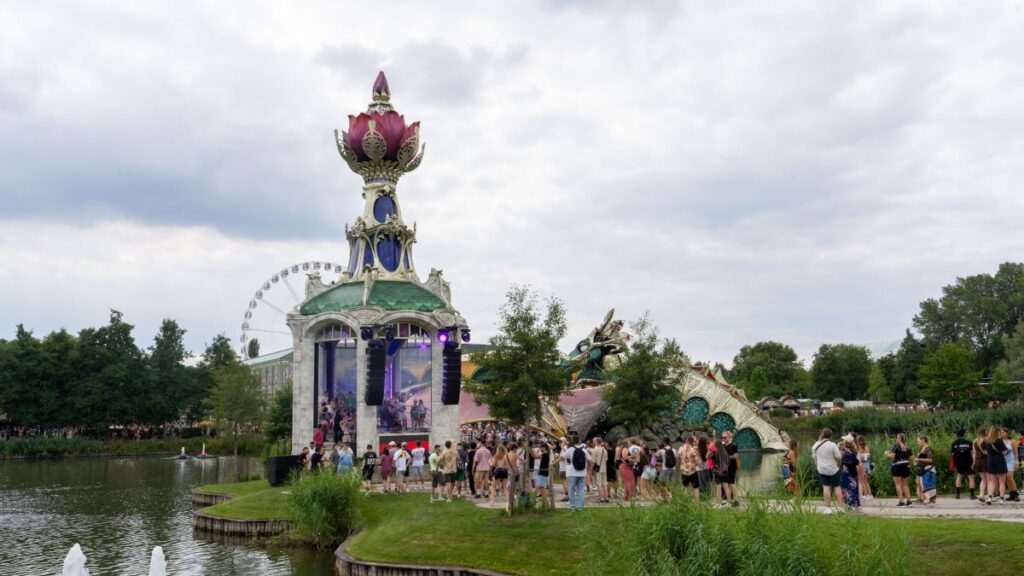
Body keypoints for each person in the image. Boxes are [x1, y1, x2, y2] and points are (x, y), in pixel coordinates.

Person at [811, 428, 842, 512]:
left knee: (826, 488)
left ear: (822, 434)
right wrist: (839, 449)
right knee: (837, 488)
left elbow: (814, 457)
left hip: (822, 469)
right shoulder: (833, 445)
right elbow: (839, 457)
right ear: (830, 435)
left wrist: (818, 467)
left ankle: (827, 509)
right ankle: (840, 508)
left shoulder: (816, 445)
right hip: (833, 469)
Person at [562, 434, 591, 511]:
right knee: (581, 491)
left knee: (571, 490)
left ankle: (572, 507)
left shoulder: (571, 449)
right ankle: (580, 507)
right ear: (579, 441)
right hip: (582, 473)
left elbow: (563, 456)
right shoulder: (584, 450)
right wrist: (589, 470)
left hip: (573, 473)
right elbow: (589, 460)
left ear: (572, 441)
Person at [885, 433, 913, 507]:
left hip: (897, 465)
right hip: (906, 465)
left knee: (898, 484)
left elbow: (892, 456)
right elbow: (910, 458)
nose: (896, 439)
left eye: (897, 437)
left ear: (900, 439)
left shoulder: (896, 446)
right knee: (905, 484)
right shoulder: (908, 447)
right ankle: (909, 500)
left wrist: (887, 454)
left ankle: (901, 501)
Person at [983, 425, 1008, 505]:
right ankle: (1001, 499)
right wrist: (1005, 452)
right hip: (999, 460)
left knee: (993, 481)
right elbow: (1004, 452)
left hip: (990, 461)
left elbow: (985, 451)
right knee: (1002, 481)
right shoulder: (999, 440)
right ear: (997, 432)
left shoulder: (986, 440)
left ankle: (989, 497)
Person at [950, 429, 976, 500]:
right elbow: (973, 452)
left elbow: (952, 454)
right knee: (971, 477)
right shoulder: (969, 442)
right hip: (968, 462)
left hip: (958, 463)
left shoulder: (954, 443)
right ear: (964, 434)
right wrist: (974, 462)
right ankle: (972, 495)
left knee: (959, 477)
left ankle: (957, 494)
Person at [839, 435, 862, 511]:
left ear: (845, 442)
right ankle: (854, 504)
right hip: (853, 471)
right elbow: (857, 461)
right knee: (853, 488)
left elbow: (840, 458)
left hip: (845, 471)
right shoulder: (853, 450)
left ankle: (848, 504)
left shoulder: (843, 450)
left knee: (845, 488)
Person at [915, 436, 937, 504]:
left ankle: (930, 498)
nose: (917, 443)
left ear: (923, 440)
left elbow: (930, 460)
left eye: (918, 441)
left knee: (927, 484)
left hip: (927, 469)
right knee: (918, 483)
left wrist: (919, 459)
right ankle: (921, 498)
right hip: (921, 469)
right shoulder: (922, 449)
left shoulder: (928, 449)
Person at [679, 436, 702, 501]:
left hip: (684, 471)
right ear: (692, 442)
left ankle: (685, 503)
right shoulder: (694, 449)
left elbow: (679, 458)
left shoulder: (681, 449)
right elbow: (698, 462)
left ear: (686, 441)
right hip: (692, 471)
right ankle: (697, 504)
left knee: (685, 487)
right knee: (696, 488)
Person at [1000, 428, 1019, 502]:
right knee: (1006, 478)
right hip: (1002, 461)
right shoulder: (999, 441)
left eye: (1003, 432)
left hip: (1010, 461)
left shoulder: (1012, 441)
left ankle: (1016, 494)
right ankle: (1012, 494)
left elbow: (1016, 452)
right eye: (1001, 432)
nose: (1001, 433)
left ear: (1007, 433)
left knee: (1009, 476)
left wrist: (1017, 462)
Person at [721, 430, 739, 507]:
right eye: (722, 437)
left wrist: (727, 457)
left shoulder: (733, 446)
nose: (723, 438)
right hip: (726, 467)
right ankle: (730, 500)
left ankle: (736, 500)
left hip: (732, 467)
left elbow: (736, 456)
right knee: (728, 483)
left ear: (729, 437)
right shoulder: (724, 446)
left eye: (724, 437)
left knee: (732, 483)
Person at [973, 426, 989, 500]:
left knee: (983, 479)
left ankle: (981, 494)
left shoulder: (975, 440)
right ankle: (989, 495)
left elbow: (974, 453)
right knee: (989, 479)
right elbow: (987, 452)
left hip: (978, 461)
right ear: (984, 432)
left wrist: (974, 462)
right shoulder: (986, 440)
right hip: (985, 460)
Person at [855, 435, 873, 501]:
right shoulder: (866, 447)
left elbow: (859, 457)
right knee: (866, 481)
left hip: (862, 464)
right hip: (867, 464)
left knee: (861, 481)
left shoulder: (859, 447)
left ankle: (865, 495)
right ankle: (870, 495)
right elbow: (868, 456)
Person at [592, 438, 609, 503]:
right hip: (604, 468)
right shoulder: (604, 450)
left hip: (598, 469)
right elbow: (606, 459)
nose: (593, 442)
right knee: (604, 483)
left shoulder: (595, 450)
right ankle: (606, 498)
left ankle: (601, 498)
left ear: (596, 442)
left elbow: (593, 461)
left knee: (599, 484)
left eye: (594, 441)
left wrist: (591, 468)